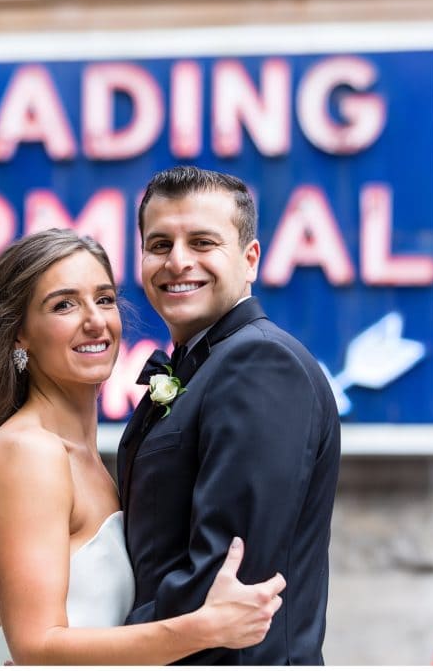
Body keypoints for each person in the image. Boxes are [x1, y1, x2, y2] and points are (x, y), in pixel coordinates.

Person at [0, 229, 286, 665]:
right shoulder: (28, 452)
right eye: (64, 305)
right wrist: (202, 628)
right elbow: (36, 646)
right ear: (20, 335)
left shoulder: (90, 462)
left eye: (104, 299)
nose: (95, 321)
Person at [117, 165, 341, 665]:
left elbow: (225, 575)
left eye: (202, 242)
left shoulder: (260, 363)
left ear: (250, 258)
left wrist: (97, 644)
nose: (177, 262)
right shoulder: (203, 366)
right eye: (159, 245)